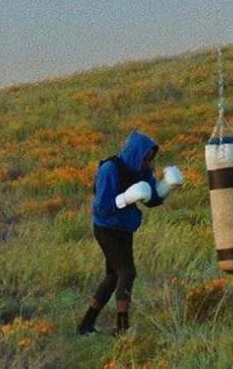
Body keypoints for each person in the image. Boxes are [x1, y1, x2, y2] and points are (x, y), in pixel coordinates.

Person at [77, 130, 184, 335]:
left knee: (112, 278)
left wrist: (166, 187)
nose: (149, 163)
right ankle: (122, 329)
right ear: (136, 154)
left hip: (125, 228)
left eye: (151, 159)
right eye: (146, 158)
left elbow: (150, 199)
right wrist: (126, 198)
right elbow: (102, 207)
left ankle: (86, 324)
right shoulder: (110, 169)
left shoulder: (142, 171)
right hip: (106, 228)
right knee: (127, 272)